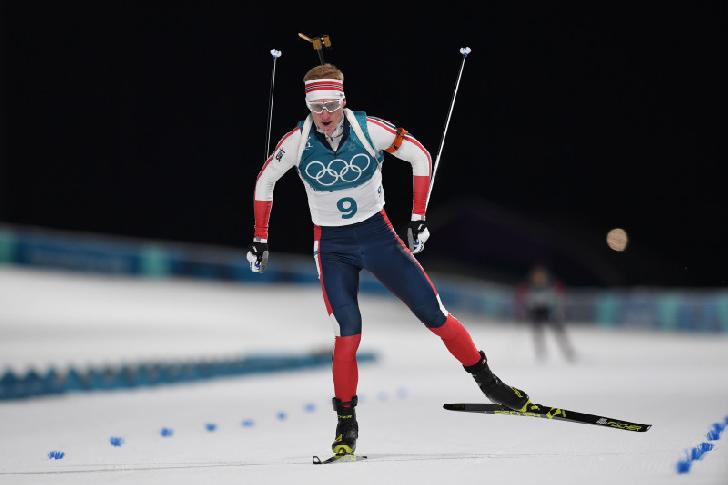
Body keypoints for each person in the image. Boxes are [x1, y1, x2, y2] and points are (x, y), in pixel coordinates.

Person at [246, 63, 530, 456]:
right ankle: (346, 425)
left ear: (343, 100)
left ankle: (489, 382)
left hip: (378, 237)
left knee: (435, 315)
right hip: (332, 247)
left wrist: (418, 216)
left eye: (330, 104)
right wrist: (260, 238)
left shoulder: (368, 129)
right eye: (315, 106)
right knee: (348, 332)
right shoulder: (297, 140)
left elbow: (420, 156)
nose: (324, 115)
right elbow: (264, 180)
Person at [517, 264, 577, 362]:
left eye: (541, 276)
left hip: (550, 311)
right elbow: (526, 300)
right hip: (537, 311)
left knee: (559, 332)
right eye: (537, 276)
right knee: (538, 333)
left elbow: (558, 298)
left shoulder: (551, 285)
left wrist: (557, 311)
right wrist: (525, 311)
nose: (539, 278)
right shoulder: (530, 286)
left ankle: (567, 351)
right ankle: (541, 352)